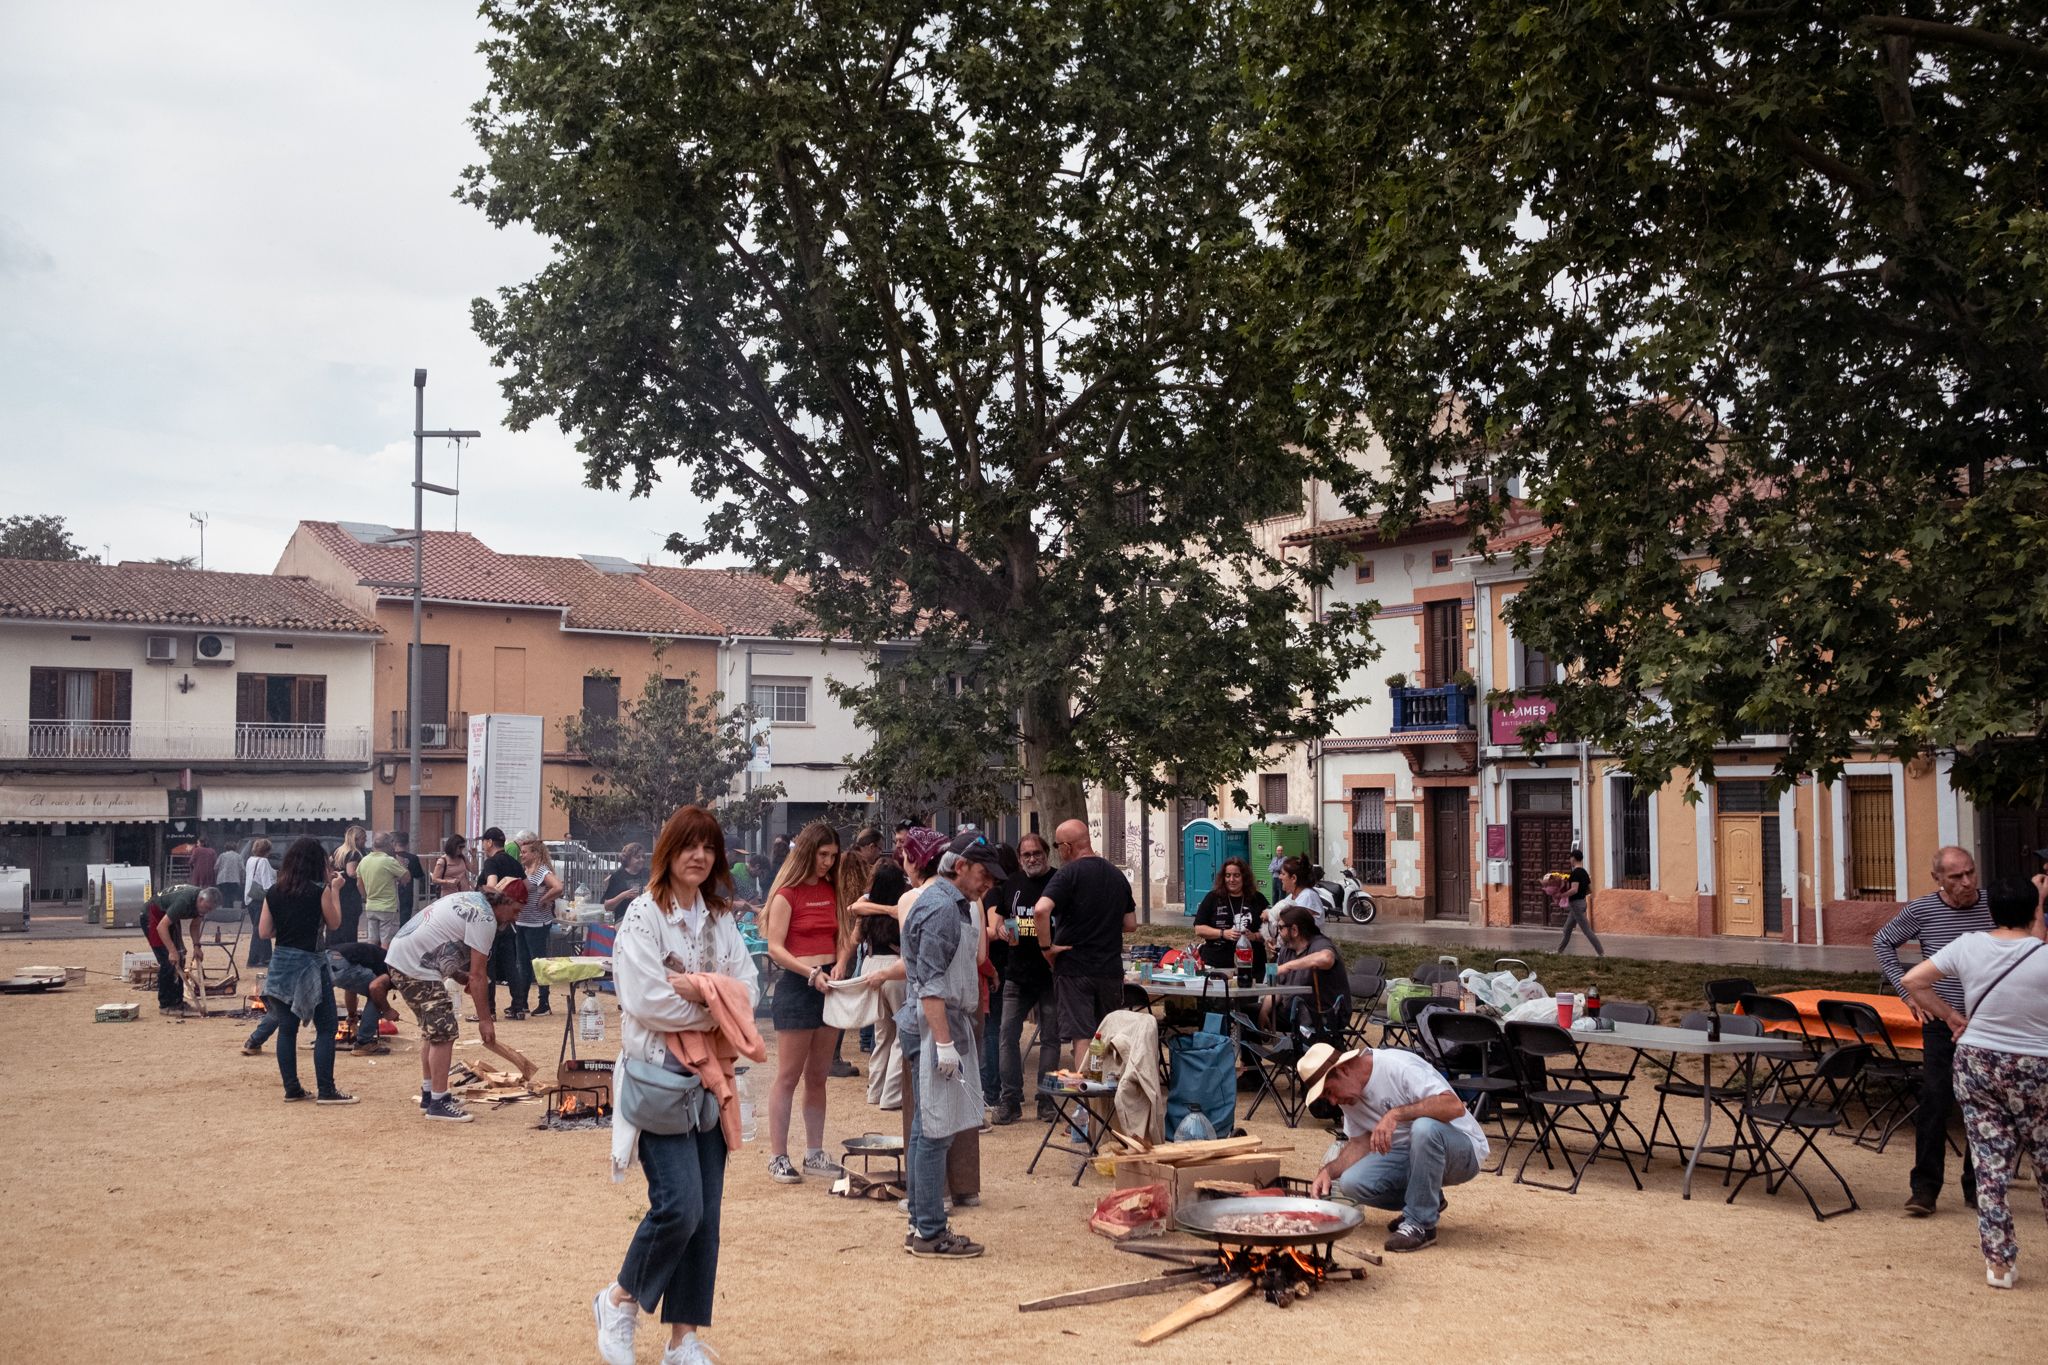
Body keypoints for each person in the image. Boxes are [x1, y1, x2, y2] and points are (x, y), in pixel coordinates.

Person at [593, 805, 761, 1365]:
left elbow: (749, 988)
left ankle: (681, 1339)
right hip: (658, 1079)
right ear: (669, 851)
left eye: (709, 848)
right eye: (690, 845)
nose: (700, 856)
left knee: (707, 1216)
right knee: (679, 1206)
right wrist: (719, 1003)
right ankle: (618, 1300)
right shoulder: (643, 916)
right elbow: (646, 1000)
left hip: (712, 1079)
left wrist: (700, 991)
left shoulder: (719, 918)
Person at [1901, 875, 2048, 1289]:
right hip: (2036, 1065)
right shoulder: (2042, 953)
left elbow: (1913, 981)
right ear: (2035, 910)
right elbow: (2033, 946)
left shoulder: (1968, 945)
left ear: (1991, 911)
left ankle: (1999, 1264)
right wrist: (2038, 905)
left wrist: (1949, 1015)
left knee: (1989, 1165)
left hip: (1977, 1060)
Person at [899, 839, 1005, 1258]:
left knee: (928, 1127)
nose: (989, 884)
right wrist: (944, 1044)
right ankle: (929, 1231)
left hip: (942, 1022)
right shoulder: (942, 908)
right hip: (932, 1026)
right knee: (935, 1130)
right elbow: (930, 984)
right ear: (960, 865)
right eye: (984, 875)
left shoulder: (952, 901)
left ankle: (920, 1222)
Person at [1876, 844, 1994, 1216]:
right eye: (1957, 876)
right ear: (1938, 879)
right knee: (1935, 1099)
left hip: (1984, 1021)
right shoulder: (1923, 909)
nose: (1967, 882)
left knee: (1984, 1105)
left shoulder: (1992, 905)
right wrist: (1908, 993)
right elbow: (1883, 942)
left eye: (1971, 873)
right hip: (1941, 1021)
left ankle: (1977, 1187)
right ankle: (1924, 1189)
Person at [1301, 1041, 1488, 1253]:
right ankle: (1427, 1200)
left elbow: (1454, 1107)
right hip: (1413, 1156)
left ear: (1343, 1070)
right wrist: (1328, 1171)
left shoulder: (1397, 1066)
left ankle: (1421, 1224)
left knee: (1424, 1128)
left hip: (1463, 1149)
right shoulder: (1349, 1098)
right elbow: (1360, 1143)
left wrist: (1396, 1114)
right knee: (1352, 1182)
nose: (1333, 1102)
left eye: (1329, 1091)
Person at [384, 878, 528, 1122]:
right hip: (415, 966)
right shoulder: (485, 919)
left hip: (404, 958)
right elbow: (479, 974)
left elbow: (442, 944)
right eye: (515, 911)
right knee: (444, 1032)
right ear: (505, 901)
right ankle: (438, 1103)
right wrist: (485, 1019)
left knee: (433, 1032)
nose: (514, 918)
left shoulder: (473, 901)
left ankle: (431, 1093)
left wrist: (459, 976)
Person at [760, 822, 853, 1183]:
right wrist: (811, 972)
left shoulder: (833, 890)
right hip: (799, 986)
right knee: (788, 1076)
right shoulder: (786, 894)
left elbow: (844, 933)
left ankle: (814, 1152)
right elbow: (775, 948)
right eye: (823, 854)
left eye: (833, 855)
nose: (828, 862)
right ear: (808, 853)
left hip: (831, 984)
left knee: (818, 1076)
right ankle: (778, 1156)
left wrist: (842, 962)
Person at [245, 837, 357, 1104]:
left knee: (287, 1028)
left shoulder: (274, 891)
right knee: (327, 1027)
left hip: (282, 962)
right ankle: (326, 1090)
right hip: (311, 963)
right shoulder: (320, 890)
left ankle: (292, 1089)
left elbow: (264, 932)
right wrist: (336, 890)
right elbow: (335, 922)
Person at [1032, 819, 1136, 1069]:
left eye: (1058, 846)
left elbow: (1040, 910)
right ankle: (1105, 1098)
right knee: (1105, 1033)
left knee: (1082, 1035)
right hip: (1109, 970)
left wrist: (1047, 948)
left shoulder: (1068, 874)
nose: (1058, 851)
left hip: (1074, 969)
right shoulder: (1116, 874)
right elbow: (1131, 923)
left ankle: (1084, 1100)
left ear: (1067, 846)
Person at [993, 830, 1058, 1124]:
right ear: (1019, 859)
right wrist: (1004, 928)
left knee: (1051, 1038)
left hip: (1051, 974)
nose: (1032, 859)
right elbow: (1004, 918)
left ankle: (1046, 1098)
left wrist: (1025, 928)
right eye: (1026, 855)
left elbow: (1060, 925)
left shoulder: (1059, 881)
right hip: (1016, 974)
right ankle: (1010, 1099)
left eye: (1037, 853)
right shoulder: (1012, 884)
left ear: (1047, 854)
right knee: (1007, 1036)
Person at [1269, 905, 1350, 1043]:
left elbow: (1326, 958)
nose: (1278, 932)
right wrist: (1264, 1011)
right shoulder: (1285, 950)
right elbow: (1278, 986)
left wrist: (1288, 966)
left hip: (1321, 1016)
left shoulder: (1319, 943)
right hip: (1292, 1012)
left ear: (1294, 930)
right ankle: (1251, 1062)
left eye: (1281, 927)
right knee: (1249, 1012)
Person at [144, 884, 219, 1014]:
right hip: (153, 915)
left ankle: (177, 1002)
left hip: (168, 919)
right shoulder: (184, 901)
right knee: (168, 960)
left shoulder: (201, 906)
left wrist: (197, 946)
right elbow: (161, 927)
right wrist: (171, 951)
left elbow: (195, 925)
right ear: (201, 900)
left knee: (181, 956)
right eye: (207, 908)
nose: (207, 911)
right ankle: (166, 1005)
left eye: (210, 910)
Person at [512, 829, 565, 1017]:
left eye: (525, 852)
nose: (521, 855)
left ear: (535, 853)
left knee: (539, 963)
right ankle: (523, 1001)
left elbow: (558, 886)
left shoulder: (542, 870)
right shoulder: (525, 871)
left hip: (537, 924)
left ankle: (544, 1002)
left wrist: (544, 900)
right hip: (522, 922)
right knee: (523, 963)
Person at [1192, 856, 1269, 976]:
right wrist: (1223, 933)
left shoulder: (1258, 899)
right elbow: (1199, 928)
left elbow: (1271, 931)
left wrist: (1254, 936)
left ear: (1244, 877)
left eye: (1236, 875)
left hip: (1252, 965)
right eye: (1228, 875)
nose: (1231, 880)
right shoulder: (1213, 898)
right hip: (1217, 963)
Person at [476, 827, 524, 1014]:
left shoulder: (492, 863)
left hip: (492, 918)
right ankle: (518, 1006)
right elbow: (525, 886)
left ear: (489, 842)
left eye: (483, 842)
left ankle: (490, 1010)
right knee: (510, 962)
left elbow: (491, 886)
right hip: (510, 919)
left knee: (488, 963)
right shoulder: (515, 863)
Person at [356, 832, 410, 950]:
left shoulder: (364, 861)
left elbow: (359, 883)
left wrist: (366, 897)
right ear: (388, 844)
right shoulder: (389, 861)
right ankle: (383, 965)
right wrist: (401, 864)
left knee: (372, 940)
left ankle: (372, 963)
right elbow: (406, 876)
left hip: (371, 906)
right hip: (387, 907)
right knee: (386, 941)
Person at [1555, 848, 1604, 957]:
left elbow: (1574, 890)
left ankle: (1601, 953)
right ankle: (1559, 952)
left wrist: (1561, 895)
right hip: (1580, 903)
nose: (1569, 861)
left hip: (1576, 905)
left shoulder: (1576, 873)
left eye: (1570, 858)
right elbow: (1589, 890)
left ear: (1573, 858)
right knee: (1567, 929)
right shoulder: (1584, 873)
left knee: (1587, 930)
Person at [328, 825, 366, 946]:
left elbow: (329, 866)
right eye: (363, 839)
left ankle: (332, 947)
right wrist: (364, 873)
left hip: (336, 890)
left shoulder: (337, 851)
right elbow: (351, 872)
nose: (365, 841)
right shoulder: (354, 853)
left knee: (336, 922)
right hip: (350, 893)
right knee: (349, 923)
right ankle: (349, 948)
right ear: (356, 839)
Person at [243, 838, 275, 968]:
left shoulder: (250, 860)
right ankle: (255, 958)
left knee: (258, 927)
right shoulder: (264, 862)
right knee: (260, 929)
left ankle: (266, 956)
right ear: (267, 850)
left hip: (250, 897)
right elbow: (267, 882)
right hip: (260, 899)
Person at [604, 843, 651, 918]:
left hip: (646, 917)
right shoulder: (617, 877)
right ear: (628, 859)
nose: (641, 859)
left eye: (643, 857)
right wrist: (623, 895)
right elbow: (607, 906)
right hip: (623, 918)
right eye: (637, 857)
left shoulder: (648, 873)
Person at [392, 831, 428, 925]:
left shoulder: (389, 857)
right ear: (407, 843)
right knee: (405, 916)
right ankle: (403, 936)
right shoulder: (413, 858)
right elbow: (418, 875)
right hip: (406, 890)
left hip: (389, 889)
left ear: (394, 842)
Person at [213, 840, 244, 923]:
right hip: (234, 879)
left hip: (222, 879)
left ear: (226, 847)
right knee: (232, 896)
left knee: (224, 896)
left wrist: (217, 874)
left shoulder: (222, 855)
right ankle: (231, 914)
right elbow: (242, 869)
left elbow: (216, 867)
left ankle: (224, 914)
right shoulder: (238, 856)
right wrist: (241, 879)